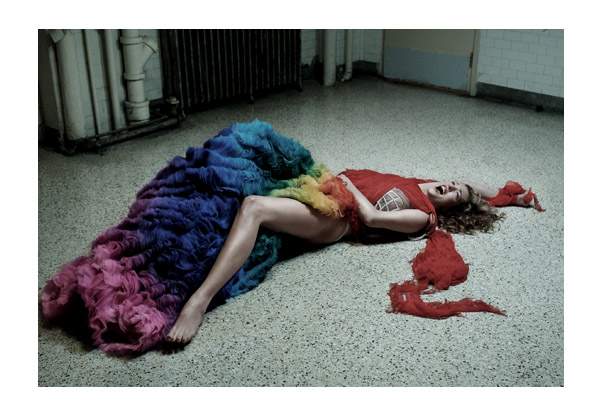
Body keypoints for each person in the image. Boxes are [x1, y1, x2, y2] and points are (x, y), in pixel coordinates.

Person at [164, 169, 537, 345]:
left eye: (455, 193)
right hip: (325, 188)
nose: (450, 186)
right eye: (452, 182)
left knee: (254, 207)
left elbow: (371, 217)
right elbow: (475, 186)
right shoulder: (419, 184)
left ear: (452, 207)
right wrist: (509, 196)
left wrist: (348, 184)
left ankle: (199, 302)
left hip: (339, 217)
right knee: (231, 188)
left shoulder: (424, 216)